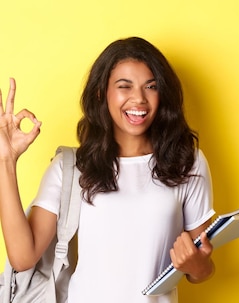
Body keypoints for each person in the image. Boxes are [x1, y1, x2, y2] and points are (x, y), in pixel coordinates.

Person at [0, 37, 216, 302]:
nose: (139, 98)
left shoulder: (187, 163)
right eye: (125, 86)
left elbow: (202, 269)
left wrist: (196, 265)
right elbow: (23, 257)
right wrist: (5, 161)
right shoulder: (72, 168)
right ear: (102, 93)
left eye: (151, 86)